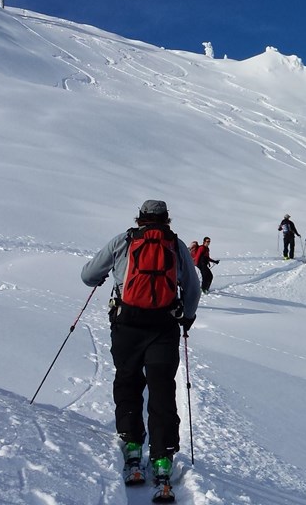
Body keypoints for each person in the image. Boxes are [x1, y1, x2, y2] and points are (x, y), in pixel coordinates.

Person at [81, 200, 201, 497]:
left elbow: (88, 275)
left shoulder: (124, 240)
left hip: (127, 326)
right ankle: (162, 459)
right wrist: (186, 317)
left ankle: (133, 445)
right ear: (166, 220)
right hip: (163, 327)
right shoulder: (176, 244)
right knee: (161, 389)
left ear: (140, 218)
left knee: (128, 380)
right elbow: (193, 287)